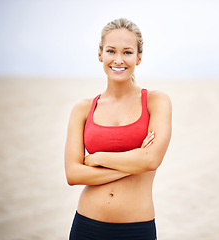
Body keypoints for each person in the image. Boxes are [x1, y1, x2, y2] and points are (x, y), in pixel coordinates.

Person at [64, 18, 172, 240]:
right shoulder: (83, 109)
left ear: (138, 58)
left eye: (128, 52)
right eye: (111, 51)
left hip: (136, 229)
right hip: (86, 225)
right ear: (100, 54)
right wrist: (134, 164)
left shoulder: (156, 101)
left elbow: (151, 160)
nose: (119, 60)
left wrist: (97, 158)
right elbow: (73, 174)